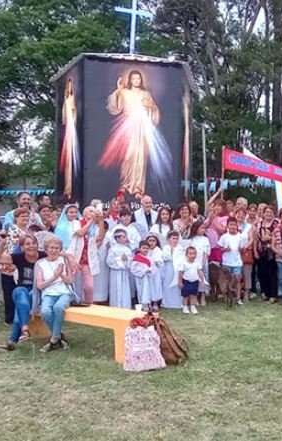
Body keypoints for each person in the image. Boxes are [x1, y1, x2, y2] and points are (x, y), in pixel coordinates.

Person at [99, 69, 171, 197]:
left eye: (138, 78)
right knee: (128, 156)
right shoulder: (125, 92)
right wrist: (118, 90)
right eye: (134, 78)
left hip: (142, 127)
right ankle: (125, 184)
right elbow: (114, 107)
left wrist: (152, 108)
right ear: (130, 80)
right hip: (128, 127)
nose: (136, 81)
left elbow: (154, 111)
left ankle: (138, 188)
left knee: (141, 157)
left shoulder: (146, 94)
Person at [0, 234, 46, 353]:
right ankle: (24, 328)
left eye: (33, 243)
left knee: (25, 299)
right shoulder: (18, 257)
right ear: (22, 247)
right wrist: (2, 243)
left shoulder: (43, 256)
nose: (31, 246)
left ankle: (14, 338)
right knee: (20, 292)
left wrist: (70, 258)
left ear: (37, 245)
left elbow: (61, 254)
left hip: (37, 291)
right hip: (22, 289)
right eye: (27, 244)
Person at [36, 237, 74, 352]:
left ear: (60, 249)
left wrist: (61, 275)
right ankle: (58, 336)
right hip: (48, 293)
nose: (54, 250)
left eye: (57, 248)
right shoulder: (40, 264)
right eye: (51, 248)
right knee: (45, 312)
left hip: (64, 292)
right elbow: (40, 286)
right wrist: (55, 277)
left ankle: (53, 340)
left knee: (58, 307)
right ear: (46, 249)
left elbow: (70, 281)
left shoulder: (65, 261)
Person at [68, 206, 107, 304]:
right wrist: (92, 221)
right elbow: (81, 232)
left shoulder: (95, 226)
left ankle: (88, 304)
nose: (93, 212)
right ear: (84, 214)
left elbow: (101, 237)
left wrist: (101, 220)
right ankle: (74, 303)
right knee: (73, 284)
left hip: (87, 260)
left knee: (89, 286)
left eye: (94, 211)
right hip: (75, 258)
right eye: (90, 211)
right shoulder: (76, 223)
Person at [0, 207, 30, 325]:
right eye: (22, 216)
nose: (25, 218)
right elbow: (13, 248)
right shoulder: (13, 229)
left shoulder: (28, 230)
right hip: (10, 265)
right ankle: (10, 318)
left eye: (27, 216)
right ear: (16, 218)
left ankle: (21, 316)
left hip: (23, 265)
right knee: (9, 292)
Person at [217, 217, 248, 307]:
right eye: (231, 225)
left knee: (237, 279)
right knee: (226, 281)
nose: (233, 227)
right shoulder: (224, 237)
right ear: (227, 226)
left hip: (237, 262)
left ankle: (238, 298)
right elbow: (219, 248)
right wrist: (225, 249)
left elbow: (243, 249)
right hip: (227, 262)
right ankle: (227, 296)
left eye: (235, 225)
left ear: (237, 226)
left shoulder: (240, 236)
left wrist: (241, 250)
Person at [254, 205, 280, 303]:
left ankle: (273, 295)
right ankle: (265, 293)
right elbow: (256, 238)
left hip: (272, 252)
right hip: (261, 252)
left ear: (273, 214)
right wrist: (255, 251)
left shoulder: (276, 224)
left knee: (272, 273)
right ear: (263, 213)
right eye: (267, 212)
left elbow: (278, 236)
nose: (268, 214)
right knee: (262, 273)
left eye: (270, 212)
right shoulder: (259, 223)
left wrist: (269, 238)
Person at [61, 76, 79, 199]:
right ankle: (67, 188)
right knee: (67, 160)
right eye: (69, 86)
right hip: (68, 130)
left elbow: (74, 114)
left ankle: (70, 187)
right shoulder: (66, 100)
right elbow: (64, 119)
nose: (70, 88)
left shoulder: (73, 100)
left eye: (72, 85)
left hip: (72, 130)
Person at [106, 229, 133, 308]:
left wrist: (126, 261)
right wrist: (119, 260)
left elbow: (130, 261)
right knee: (115, 289)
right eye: (123, 237)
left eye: (125, 237)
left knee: (124, 289)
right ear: (117, 238)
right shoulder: (112, 249)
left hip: (124, 273)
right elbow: (109, 261)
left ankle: (125, 306)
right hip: (115, 273)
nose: (125, 238)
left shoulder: (128, 250)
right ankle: (115, 306)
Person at [130, 240, 158, 311]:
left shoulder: (149, 258)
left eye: (147, 248)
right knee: (142, 291)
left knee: (148, 291)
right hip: (141, 278)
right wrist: (143, 271)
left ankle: (148, 304)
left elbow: (153, 267)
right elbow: (133, 268)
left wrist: (150, 270)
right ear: (139, 249)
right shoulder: (137, 258)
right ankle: (143, 305)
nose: (145, 250)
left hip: (148, 277)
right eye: (143, 248)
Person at [178, 246, 206, 314]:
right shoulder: (184, 263)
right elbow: (180, 273)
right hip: (186, 281)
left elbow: (200, 272)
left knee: (193, 295)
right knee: (186, 295)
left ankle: (192, 307)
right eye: (190, 254)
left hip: (195, 281)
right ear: (186, 255)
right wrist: (180, 282)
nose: (192, 255)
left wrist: (202, 281)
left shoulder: (197, 263)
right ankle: (185, 307)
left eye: (194, 254)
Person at [190, 221, 211, 305]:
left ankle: (203, 296)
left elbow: (206, 251)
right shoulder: (192, 239)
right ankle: (195, 297)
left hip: (203, 262)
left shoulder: (205, 239)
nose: (203, 230)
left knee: (203, 279)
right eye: (201, 228)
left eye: (204, 228)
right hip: (194, 262)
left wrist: (203, 262)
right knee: (195, 279)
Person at [161, 230, 184, 309]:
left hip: (177, 268)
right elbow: (165, 257)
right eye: (173, 238)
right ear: (169, 239)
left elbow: (182, 258)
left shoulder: (180, 248)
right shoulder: (166, 247)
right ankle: (167, 302)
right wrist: (171, 251)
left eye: (177, 238)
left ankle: (177, 303)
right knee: (167, 284)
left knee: (177, 285)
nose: (175, 240)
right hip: (168, 267)